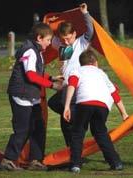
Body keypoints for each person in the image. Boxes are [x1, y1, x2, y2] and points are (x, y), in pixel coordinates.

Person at [0, 22, 63, 171]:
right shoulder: (30, 51)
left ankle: (35, 160)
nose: (49, 43)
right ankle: (8, 159)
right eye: (48, 40)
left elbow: (36, 72)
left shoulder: (36, 50)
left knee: (38, 128)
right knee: (23, 129)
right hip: (21, 95)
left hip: (30, 96)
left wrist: (51, 77)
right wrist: (52, 86)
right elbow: (31, 76)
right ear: (39, 38)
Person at [63, 49, 129, 173]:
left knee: (78, 133)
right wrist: (124, 113)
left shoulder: (77, 70)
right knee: (101, 133)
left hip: (84, 103)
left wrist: (67, 106)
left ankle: (75, 164)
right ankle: (115, 163)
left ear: (81, 63)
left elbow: (71, 85)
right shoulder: (102, 73)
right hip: (102, 106)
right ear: (95, 62)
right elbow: (114, 93)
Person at [48, 3, 94, 147]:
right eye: (63, 39)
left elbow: (90, 31)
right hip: (65, 85)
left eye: (68, 38)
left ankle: (74, 141)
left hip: (77, 86)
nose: (66, 41)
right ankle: (72, 142)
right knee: (55, 105)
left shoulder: (81, 43)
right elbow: (48, 36)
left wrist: (85, 13)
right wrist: (51, 23)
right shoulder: (61, 45)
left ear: (74, 34)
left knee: (66, 118)